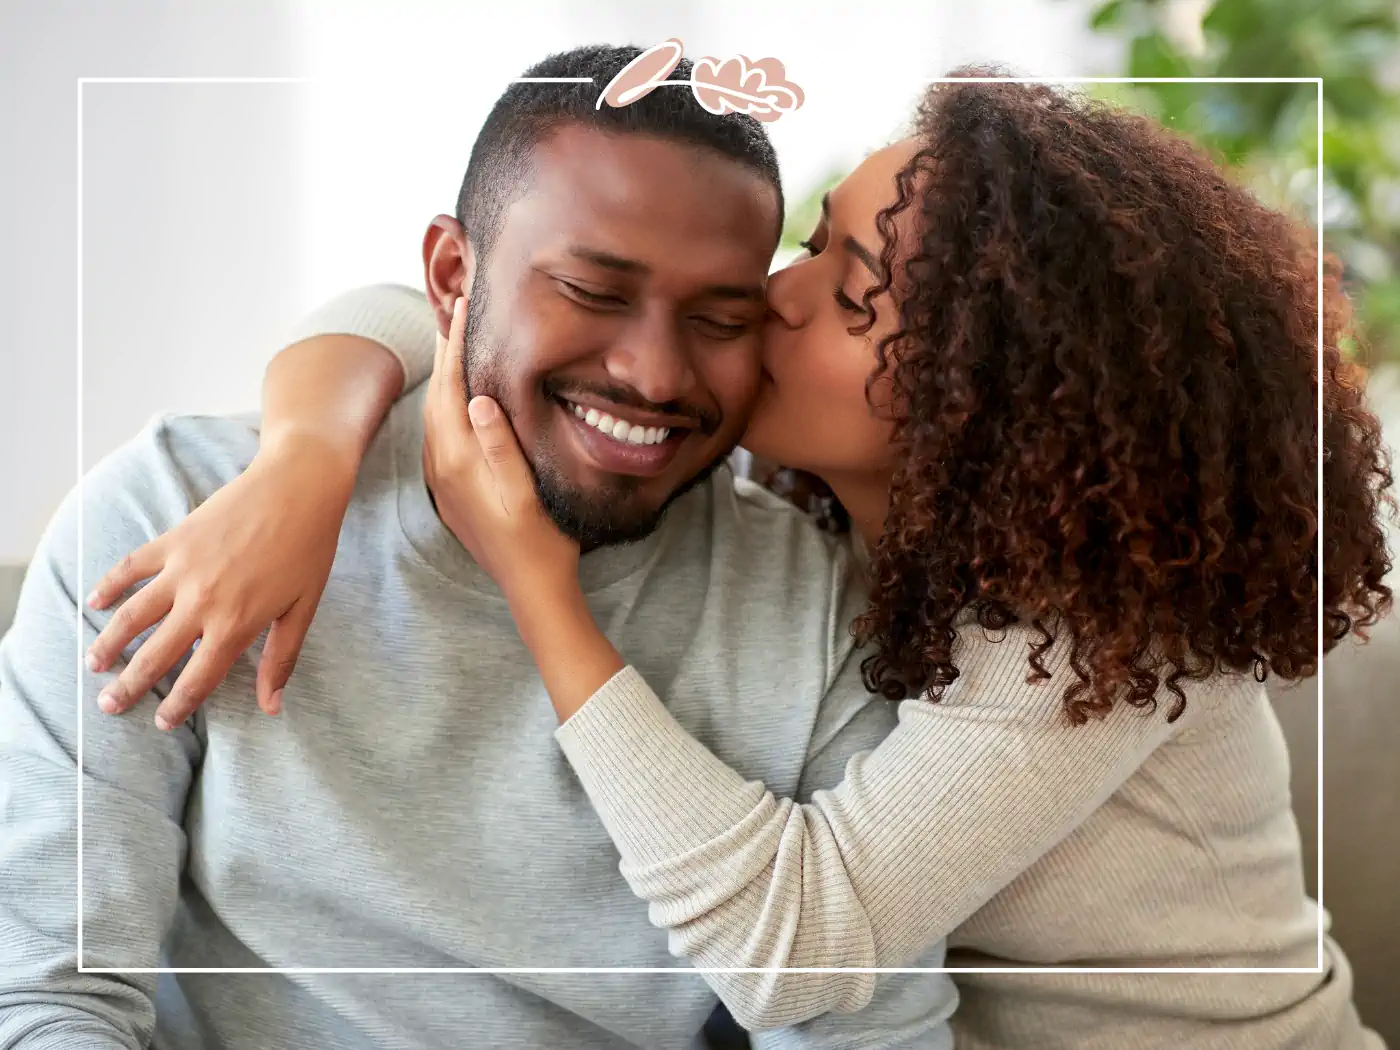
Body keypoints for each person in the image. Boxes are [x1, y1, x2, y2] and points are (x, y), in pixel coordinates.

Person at [81, 77, 1391, 1050]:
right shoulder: (847, 522)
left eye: (847, 285)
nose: (778, 294)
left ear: (978, 396)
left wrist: (539, 584)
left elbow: (800, 943)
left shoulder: (1089, 629)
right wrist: (306, 460)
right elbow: (431, 308)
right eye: (813, 239)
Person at [0, 45, 958, 1050]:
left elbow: (858, 1033)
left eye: (719, 317)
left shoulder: (816, 616)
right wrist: (310, 452)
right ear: (453, 276)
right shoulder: (177, 512)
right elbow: (48, 1000)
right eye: (591, 291)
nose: (654, 372)